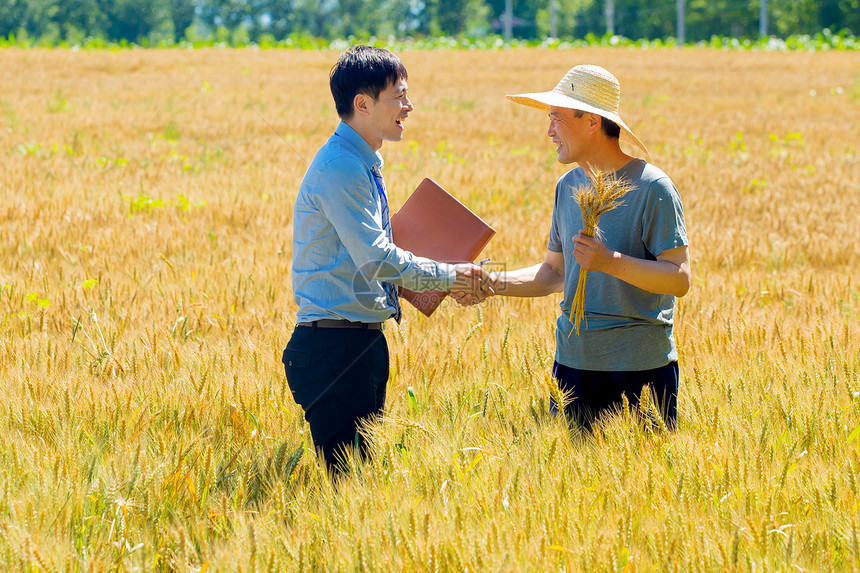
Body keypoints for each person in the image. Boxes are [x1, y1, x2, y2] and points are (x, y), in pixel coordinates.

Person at [283, 45, 488, 472]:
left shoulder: (362, 163)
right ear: (362, 103)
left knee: (362, 484)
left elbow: (370, 261)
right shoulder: (342, 167)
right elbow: (376, 260)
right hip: (334, 349)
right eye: (399, 96)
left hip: (359, 343)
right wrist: (451, 276)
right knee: (349, 487)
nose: (409, 107)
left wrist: (448, 279)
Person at [462, 64, 690, 432]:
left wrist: (610, 262)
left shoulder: (653, 187)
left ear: (591, 122)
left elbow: (679, 280)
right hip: (573, 366)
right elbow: (555, 273)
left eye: (556, 118)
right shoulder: (566, 186)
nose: (549, 131)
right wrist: (489, 282)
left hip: (641, 371)